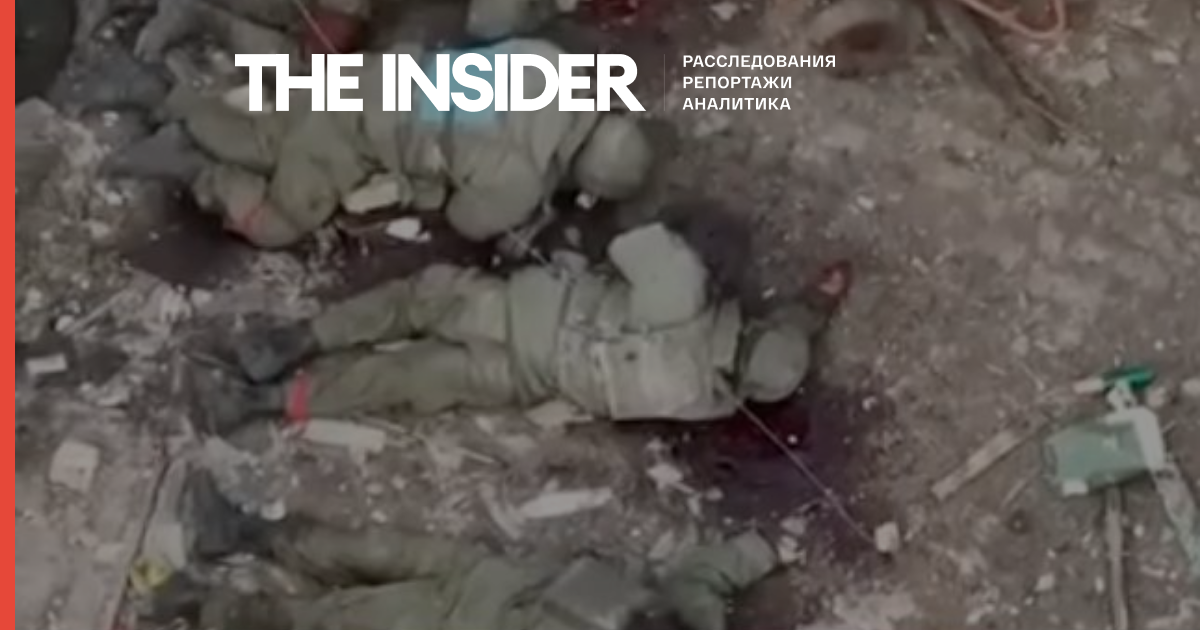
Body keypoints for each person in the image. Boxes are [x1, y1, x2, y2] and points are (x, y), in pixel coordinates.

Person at [190, 221, 850, 435]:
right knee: (402, 378)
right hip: (522, 380)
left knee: (419, 300)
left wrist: (809, 304)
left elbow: (632, 244)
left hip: (520, 311)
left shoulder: (682, 293)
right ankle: (265, 402)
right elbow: (774, 353)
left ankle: (296, 341)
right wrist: (812, 312)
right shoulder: (710, 402)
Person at [104, 32, 653, 252]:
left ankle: (182, 87)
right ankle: (188, 159)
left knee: (286, 116)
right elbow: (467, 221)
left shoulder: (550, 61)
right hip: (357, 134)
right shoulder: (522, 180)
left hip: (380, 73)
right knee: (281, 223)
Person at [152, 472, 782, 630]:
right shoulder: (690, 617)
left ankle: (201, 610)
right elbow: (706, 574)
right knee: (365, 548)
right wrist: (767, 547)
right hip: (493, 576)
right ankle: (240, 532)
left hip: (454, 624)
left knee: (329, 620)